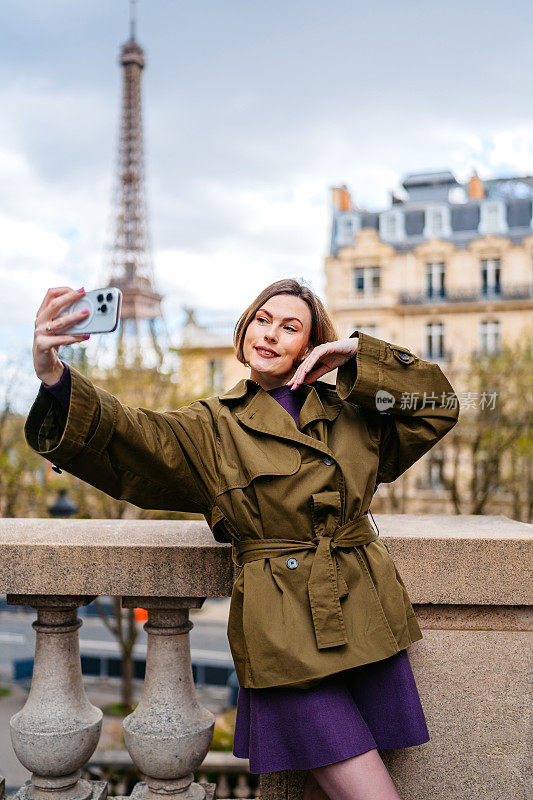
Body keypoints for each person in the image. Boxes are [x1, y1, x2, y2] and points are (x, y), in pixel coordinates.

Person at [27, 279, 460, 800]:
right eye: (263, 319)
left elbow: (438, 404)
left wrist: (356, 354)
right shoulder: (211, 426)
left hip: (365, 617)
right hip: (283, 635)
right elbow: (131, 433)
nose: (271, 334)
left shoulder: (355, 411)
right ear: (246, 328)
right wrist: (54, 377)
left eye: (290, 326)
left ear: (311, 345)